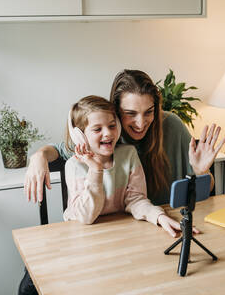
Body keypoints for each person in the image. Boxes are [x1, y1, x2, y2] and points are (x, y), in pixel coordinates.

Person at [19, 70, 225, 295]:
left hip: (156, 229)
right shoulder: (102, 141)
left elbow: (204, 188)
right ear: (116, 112)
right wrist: (38, 156)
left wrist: (200, 171)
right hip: (106, 237)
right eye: (130, 113)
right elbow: (59, 151)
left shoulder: (170, 127)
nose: (140, 122)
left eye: (149, 112)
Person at [63, 95, 175, 229]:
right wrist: (95, 170)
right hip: (82, 231)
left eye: (112, 126)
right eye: (98, 129)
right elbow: (87, 217)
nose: (108, 133)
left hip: (119, 227)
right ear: (79, 136)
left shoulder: (128, 155)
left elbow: (136, 200)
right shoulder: (74, 166)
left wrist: (158, 216)